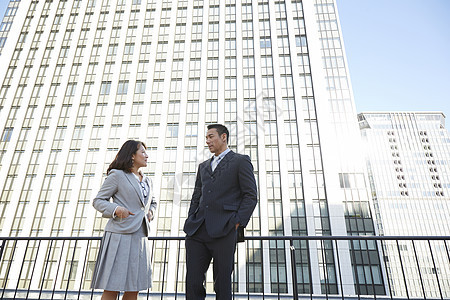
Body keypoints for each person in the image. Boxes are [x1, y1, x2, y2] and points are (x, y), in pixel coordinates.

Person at [183, 124, 258, 300]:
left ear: (223, 137)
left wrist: (237, 221)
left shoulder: (240, 161)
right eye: (206, 138)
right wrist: (191, 218)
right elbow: (197, 196)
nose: (207, 141)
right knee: (192, 282)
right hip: (197, 230)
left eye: (211, 137)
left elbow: (250, 195)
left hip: (225, 229)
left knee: (222, 283)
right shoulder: (203, 166)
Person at [91, 140, 157, 300]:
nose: (146, 156)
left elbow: (152, 202)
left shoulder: (147, 180)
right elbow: (98, 201)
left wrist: (150, 213)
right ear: (132, 156)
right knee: (112, 287)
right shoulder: (117, 175)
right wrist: (116, 210)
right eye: (143, 152)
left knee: (134, 288)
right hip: (119, 236)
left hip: (140, 237)